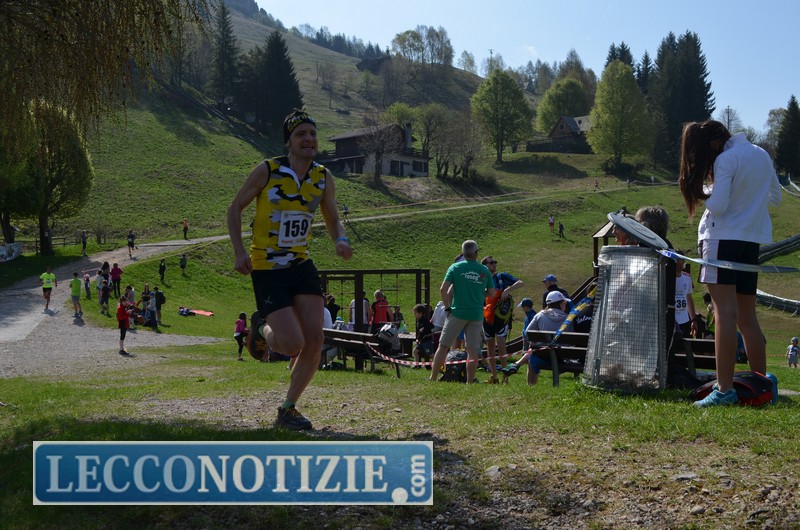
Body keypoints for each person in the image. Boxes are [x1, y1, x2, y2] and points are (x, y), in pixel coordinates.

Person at [227, 109, 353, 431]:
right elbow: (235, 208)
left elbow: (332, 216)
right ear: (289, 142)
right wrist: (239, 251)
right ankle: (261, 328)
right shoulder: (268, 171)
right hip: (267, 268)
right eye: (301, 134)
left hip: (300, 264)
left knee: (315, 338)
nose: (308, 139)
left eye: (312, 133)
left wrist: (340, 239)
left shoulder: (322, 177)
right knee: (291, 344)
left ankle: (288, 408)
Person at [678, 120, 781, 407]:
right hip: (751, 240)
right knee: (748, 317)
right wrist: (748, 203)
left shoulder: (725, 159)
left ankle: (724, 389)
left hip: (721, 239)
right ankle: (761, 387)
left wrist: (706, 190)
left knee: (724, 313)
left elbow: (719, 206)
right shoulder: (761, 154)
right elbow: (775, 197)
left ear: (713, 145)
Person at [429, 240, 495, 385]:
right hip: (476, 314)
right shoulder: (484, 270)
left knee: (443, 346)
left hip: (457, 312)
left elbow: (443, 290)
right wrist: (479, 294)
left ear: (464, 254)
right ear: (476, 253)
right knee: (472, 350)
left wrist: (447, 308)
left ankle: (433, 378)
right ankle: (469, 382)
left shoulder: (455, 267)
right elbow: (491, 293)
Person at [503, 290, 572, 385]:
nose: (565, 305)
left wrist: (534, 342)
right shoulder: (568, 319)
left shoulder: (539, 315)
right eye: (564, 303)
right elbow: (571, 340)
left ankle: (529, 384)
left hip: (542, 354)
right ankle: (517, 364)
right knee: (532, 352)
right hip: (562, 357)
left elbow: (527, 333)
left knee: (532, 353)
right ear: (559, 304)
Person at [481, 256, 524, 383]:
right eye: (491, 263)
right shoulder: (481, 279)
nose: (494, 264)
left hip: (501, 317)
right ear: (484, 265)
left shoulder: (502, 276)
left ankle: (505, 377)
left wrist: (507, 290)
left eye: (495, 262)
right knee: (490, 347)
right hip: (486, 316)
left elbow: (520, 283)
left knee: (501, 346)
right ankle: (494, 376)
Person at [674, 255, 697, 339]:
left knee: (686, 343)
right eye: (676, 260)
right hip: (672, 320)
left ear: (683, 262)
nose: (677, 262)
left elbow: (689, 298)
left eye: (680, 260)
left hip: (684, 320)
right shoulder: (666, 277)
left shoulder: (687, 278)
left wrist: (693, 319)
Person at [412, 303, 434, 368]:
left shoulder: (424, 320)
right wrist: (418, 339)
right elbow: (420, 332)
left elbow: (431, 326)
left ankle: (439, 364)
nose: (414, 315)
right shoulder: (418, 321)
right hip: (422, 341)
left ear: (420, 313)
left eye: (415, 313)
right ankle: (417, 365)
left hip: (427, 341)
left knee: (430, 354)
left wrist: (424, 328)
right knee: (415, 351)